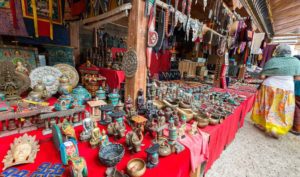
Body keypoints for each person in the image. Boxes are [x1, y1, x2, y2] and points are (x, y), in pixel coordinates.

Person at [251, 44, 300, 138]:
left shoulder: (272, 61)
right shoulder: (296, 62)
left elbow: (262, 76)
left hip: (269, 86)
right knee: (282, 109)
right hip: (287, 88)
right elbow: (298, 78)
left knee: (267, 106)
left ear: (278, 51)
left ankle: (263, 125)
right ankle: (276, 128)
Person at [292, 55, 300, 135]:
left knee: (297, 111)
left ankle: (297, 129)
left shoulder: (297, 69)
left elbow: (296, 82)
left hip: (297, 93)